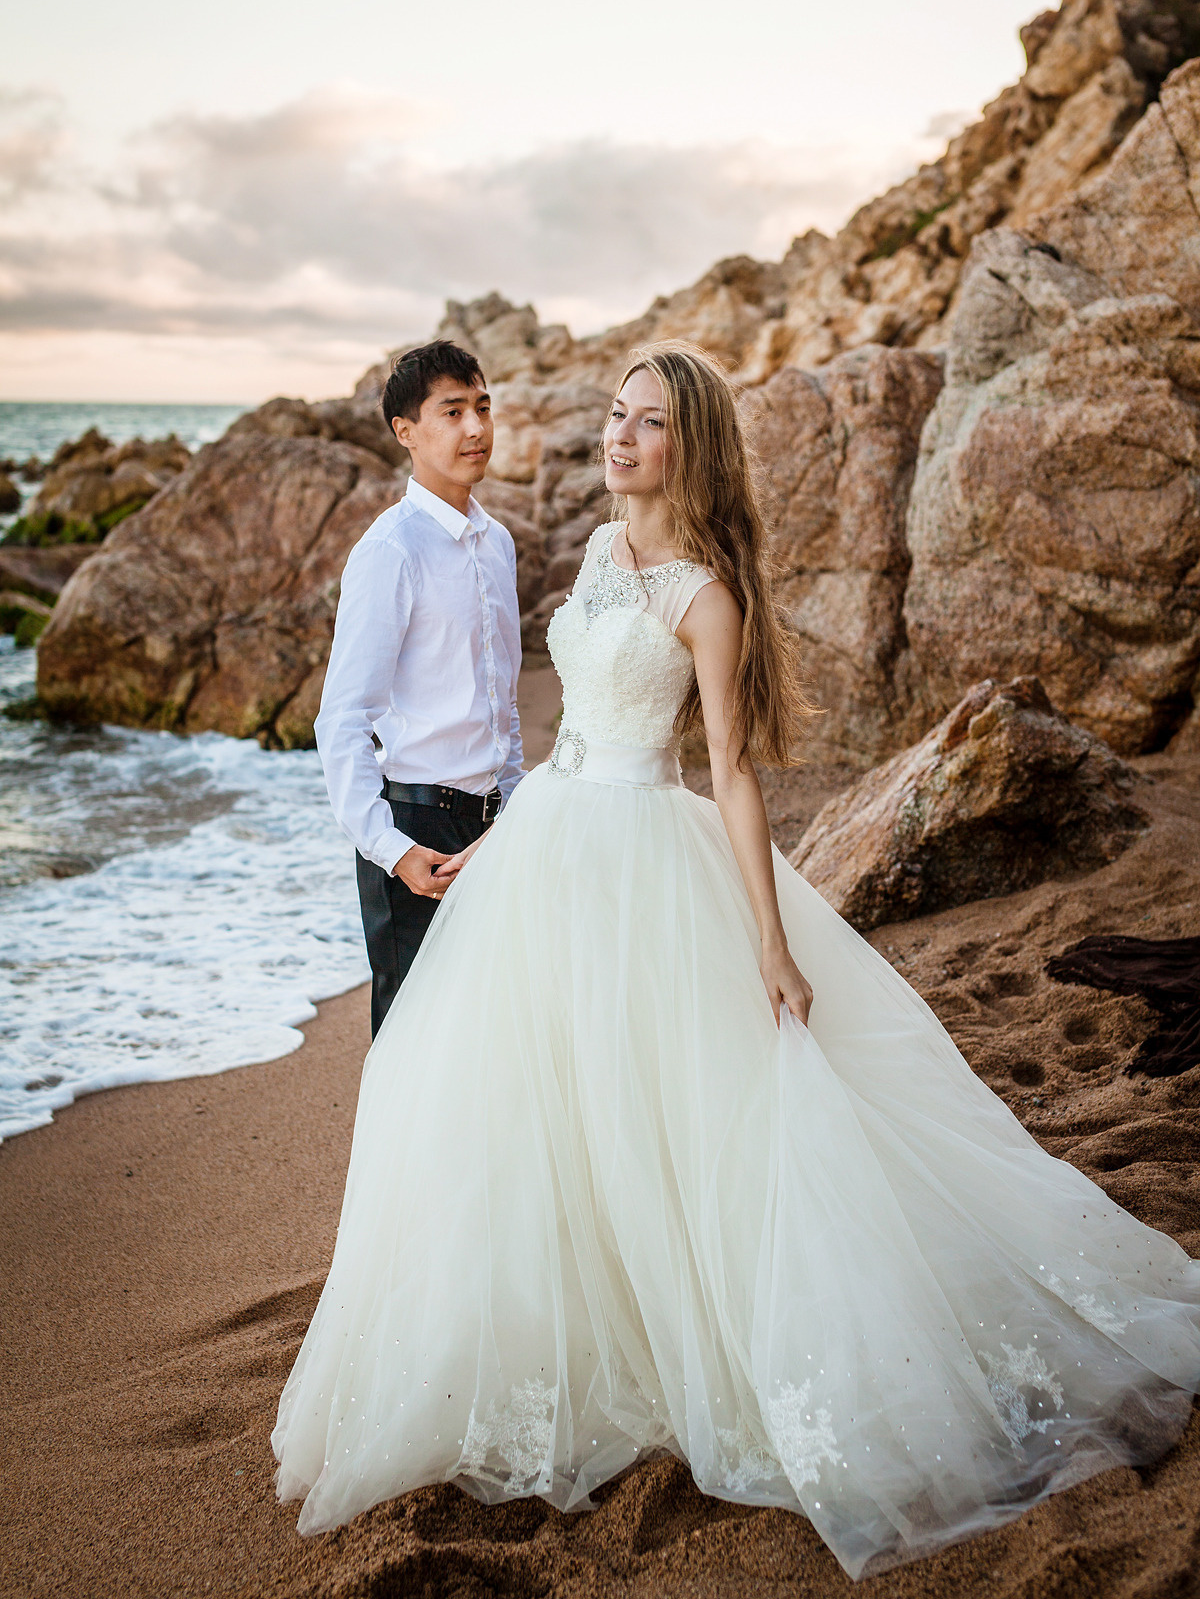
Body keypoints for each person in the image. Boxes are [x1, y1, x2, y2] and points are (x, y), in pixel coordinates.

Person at [275, 342, 1200, 1579]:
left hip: (644, 853)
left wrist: (769, 936)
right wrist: (473, 837)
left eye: (647, 423)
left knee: (665, 1106)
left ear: (690, 446)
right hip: (543, 843)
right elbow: (546, 726)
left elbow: (731, 771)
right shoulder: (595, 550)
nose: (619, 437)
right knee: (512, 1100)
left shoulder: (706, 596)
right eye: (616, 415)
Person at [315, 338, 523, 1038]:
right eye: (452, 411)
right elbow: (343, 719)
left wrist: (514, 807)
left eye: (483, 408)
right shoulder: (389, 550)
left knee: (493, 1038)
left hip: (495, 828)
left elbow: (503, 703)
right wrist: (392, 849)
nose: (476, 428)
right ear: (405, 431)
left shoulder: (498, 544)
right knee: (413, 1046)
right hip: (417, 832)